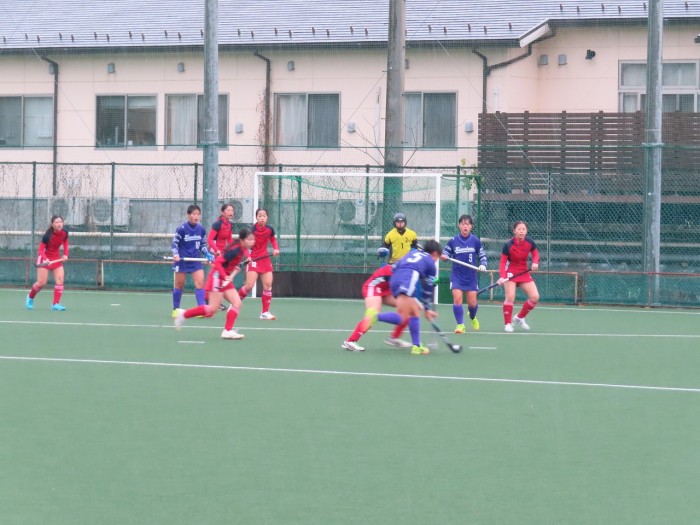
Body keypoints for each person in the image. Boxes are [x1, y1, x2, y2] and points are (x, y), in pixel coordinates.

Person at [175, 229, 255, 339]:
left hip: (225, 279)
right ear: (242, 240)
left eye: (253, 240)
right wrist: (225, 275)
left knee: (237, 303)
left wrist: (234, 268)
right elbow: (218, 262)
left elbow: (229, 264)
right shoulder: (235, 250)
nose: (252, 242)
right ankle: (183, 315)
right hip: (217, 277)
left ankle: (227, 331)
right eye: (249, 240)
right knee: (213, 308)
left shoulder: (241, 249)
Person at [369, 240, 442, 355]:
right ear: (435, 253)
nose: (436, 260)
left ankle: (416, 346)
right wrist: (427, 310)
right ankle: (375, 316)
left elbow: (394, 266)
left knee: (414, 312)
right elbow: (427, 289)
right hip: (408, 279)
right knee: (403, 317)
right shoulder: (431, 263)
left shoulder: (412, 253)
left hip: (394, 279)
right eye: (437, 257)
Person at [341, 261, 412, 352]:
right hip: (373, 287)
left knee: (408, 308)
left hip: (386, 289)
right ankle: (350, 341)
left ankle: (394, 338)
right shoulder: (401, 270)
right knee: (372, 315)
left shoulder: (408, 268)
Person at [440, 214, 487, 333]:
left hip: (471, 276)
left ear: (471, 226)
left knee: (472, 304)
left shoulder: (475, 241)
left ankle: (472, 316)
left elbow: (482, 255)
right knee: (457, 299)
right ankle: (460, 324)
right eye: (463, 224)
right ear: (459, 226)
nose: (465, 226)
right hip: (457, 275)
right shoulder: (453, 241)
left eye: (467, 224)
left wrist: (483, 264)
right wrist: (444, 257)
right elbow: (445, 254)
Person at [170, 204, 215, 317]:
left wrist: (207, 254)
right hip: (182, 261)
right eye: (194, 214)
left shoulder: (201, 229)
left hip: (195, 260)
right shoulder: (181, 229)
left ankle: (201, 310)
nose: (196, 216)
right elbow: (174, 244)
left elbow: (202, 245)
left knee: (200, 283)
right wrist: (175, 254)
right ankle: (176, 309)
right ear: (188, 215)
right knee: (179, 285)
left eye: (198, 214)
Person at [497, 220, 540, 333]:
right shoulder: (508, 245)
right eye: (519, 229)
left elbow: (535, 254)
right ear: (514, 231)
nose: (521, 231)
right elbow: (502, 262)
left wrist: (535, 262)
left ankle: (519, 317)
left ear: (526, 231)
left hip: (523, 272)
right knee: (510, 297)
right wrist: (502, 276)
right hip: (511, 272)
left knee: (535, 297)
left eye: (523, 229)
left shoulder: (530, 242)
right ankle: (507, 324)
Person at [238, 207, 280, 320]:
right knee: (249, 286)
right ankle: (235, 302)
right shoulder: (251, 230)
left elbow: (273, 240)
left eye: (264, 216)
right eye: (260, 216)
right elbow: (244, 245)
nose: (262, 218)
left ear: (267, 217)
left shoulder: (270, 229)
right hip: (254, 259)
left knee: (268, 285)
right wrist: (248, 256)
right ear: (256, 217)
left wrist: (276, 249)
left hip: (265, 260)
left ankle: (264, 313)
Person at [26, 214, 70, 311]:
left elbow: (65, 243)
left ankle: (55, 304)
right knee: (41, 283)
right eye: (57, 222)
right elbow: (40, 250)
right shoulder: (47, 235)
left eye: (61, 222)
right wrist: (46, 259)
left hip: (56, 258)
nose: (59, 224)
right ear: (52, 224)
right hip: (44, 258)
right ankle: (30, 297)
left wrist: (65, 254)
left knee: (60, 280)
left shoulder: (65, 233)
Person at [207, 203, 235, 311]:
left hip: (222, 253)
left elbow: (230, 240)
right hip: (214, 252)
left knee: (218, 277)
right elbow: (210, 240)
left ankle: (215, 302)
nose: (230, 212)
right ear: (222, 212)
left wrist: (233, 251)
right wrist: (216, 250)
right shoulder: (217, 224)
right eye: (228, 210)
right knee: (216, 276)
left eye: (232, 210)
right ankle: (211, 301)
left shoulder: (229, 225)